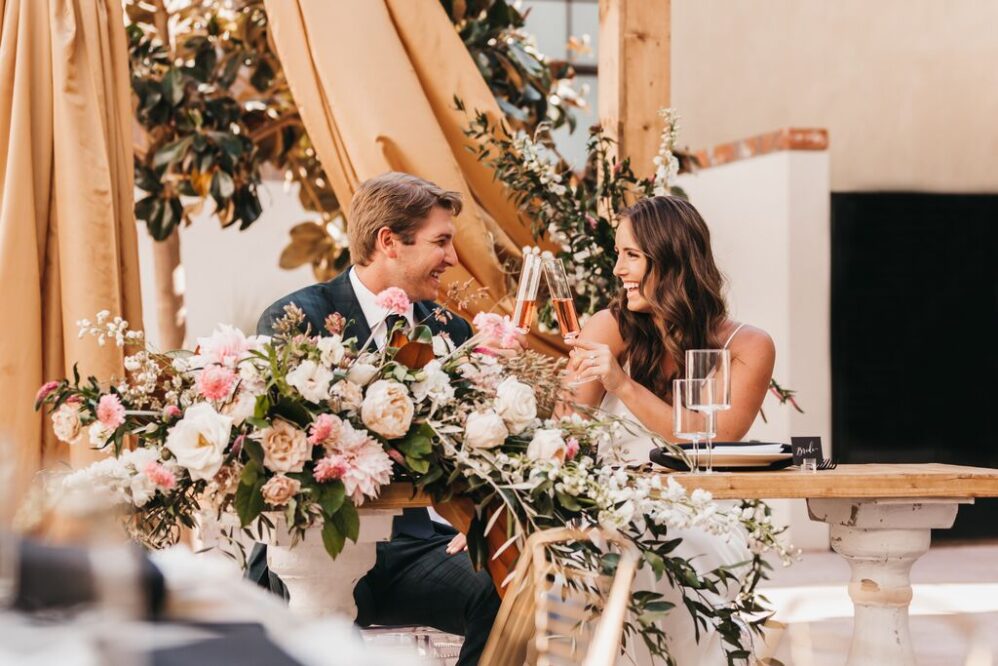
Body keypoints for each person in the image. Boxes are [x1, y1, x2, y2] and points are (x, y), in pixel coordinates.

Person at [246, 172, 499, 666]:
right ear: (389, 242)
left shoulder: (450, 329)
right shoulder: (297, 320)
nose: (451, 257)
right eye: (440, 241)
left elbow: (477, 441)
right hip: (315, 548)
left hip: (413, 550)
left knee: (505, 587)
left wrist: (476, 522)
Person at [563, 195, 775, 664]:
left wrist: (620, 382)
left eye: (631, 255)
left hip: (702, 515)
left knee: (645, 553)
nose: (618, 269)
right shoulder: (610, 326)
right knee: (613, 545)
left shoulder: (747, 345)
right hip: (611, 510)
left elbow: (711, 438)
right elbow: (565, 431)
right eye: (618, 254)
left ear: (674, 258)